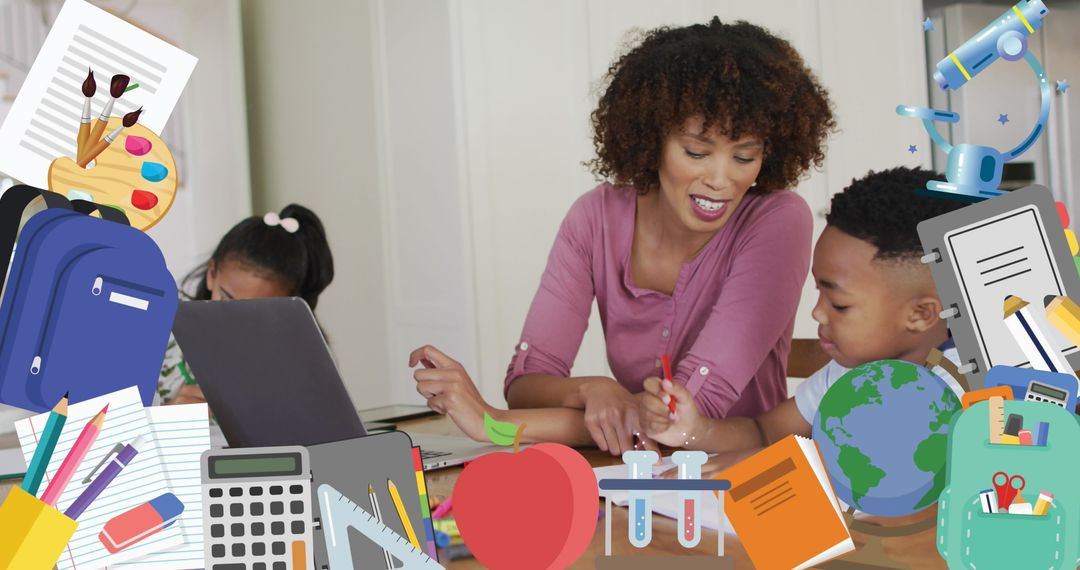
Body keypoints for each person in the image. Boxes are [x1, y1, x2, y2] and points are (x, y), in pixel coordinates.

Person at [410, 18, 835, 455]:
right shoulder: (595, 218)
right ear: (652, 140)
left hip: (733, 479)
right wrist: (591, 390)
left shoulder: (777, 220)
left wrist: (493, 425)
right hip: (631, 474)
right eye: (696, 153)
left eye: (745, 156)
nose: (722, 180)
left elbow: (678, 419)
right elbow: (527, 385)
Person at [639, 167, 968, 475]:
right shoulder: (847, 372)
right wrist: (695, 429)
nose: (817, 312)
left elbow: (895, 465)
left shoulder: (967, 390)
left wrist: (775, 464)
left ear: (921, 314)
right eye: (818, 291)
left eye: (839, 305)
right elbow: (765, 432)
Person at [158, 204, 334, 405]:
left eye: (256, 314)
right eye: (226, 300)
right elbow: (116, 428)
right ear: (212, 274)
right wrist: (166, 418)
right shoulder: (158, 329)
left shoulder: (301, 361)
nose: (234, 323)